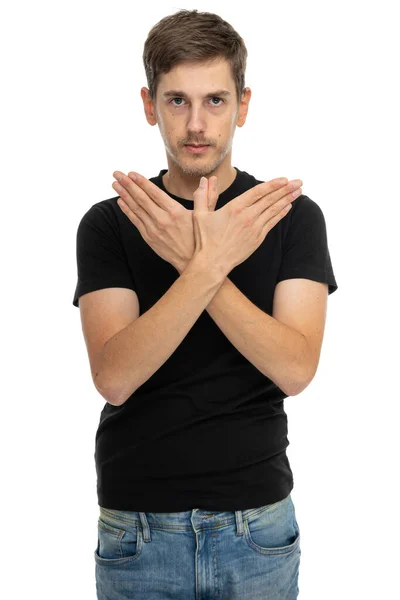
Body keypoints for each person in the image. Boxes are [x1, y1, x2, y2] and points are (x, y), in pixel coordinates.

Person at [72, 9, 338, 600]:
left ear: (244, 105)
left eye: (216, 101)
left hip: (258, 527)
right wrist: (205, 262)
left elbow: (295, 370)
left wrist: (198, 263)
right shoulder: (110, 224)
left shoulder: (290, 216)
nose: (197, 124)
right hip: (136, 530)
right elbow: (114, 377)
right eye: (177, 101)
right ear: (149, 105)